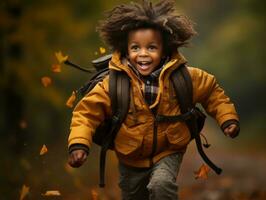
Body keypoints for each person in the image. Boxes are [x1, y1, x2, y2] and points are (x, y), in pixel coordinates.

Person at [67, 0, 240, 199]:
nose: (143, 54)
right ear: (125, 49)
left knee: (162, 185)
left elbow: (212, 93)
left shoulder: (182, 77)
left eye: (151, 47)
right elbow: (86, 114)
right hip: (130, 157)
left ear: (165, 49)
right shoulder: (114, 83)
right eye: (135, 48)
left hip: (169, 150)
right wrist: (79, 144)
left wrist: (228, 119)